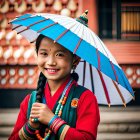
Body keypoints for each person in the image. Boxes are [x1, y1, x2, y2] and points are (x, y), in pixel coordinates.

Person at [9, 11, 100, 140]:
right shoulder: (30, 101)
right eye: (44, 54)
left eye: (60, 55)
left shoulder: (85, 99)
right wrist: (30, 127)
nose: (51, 62)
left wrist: (52, 121)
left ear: (75, 60)